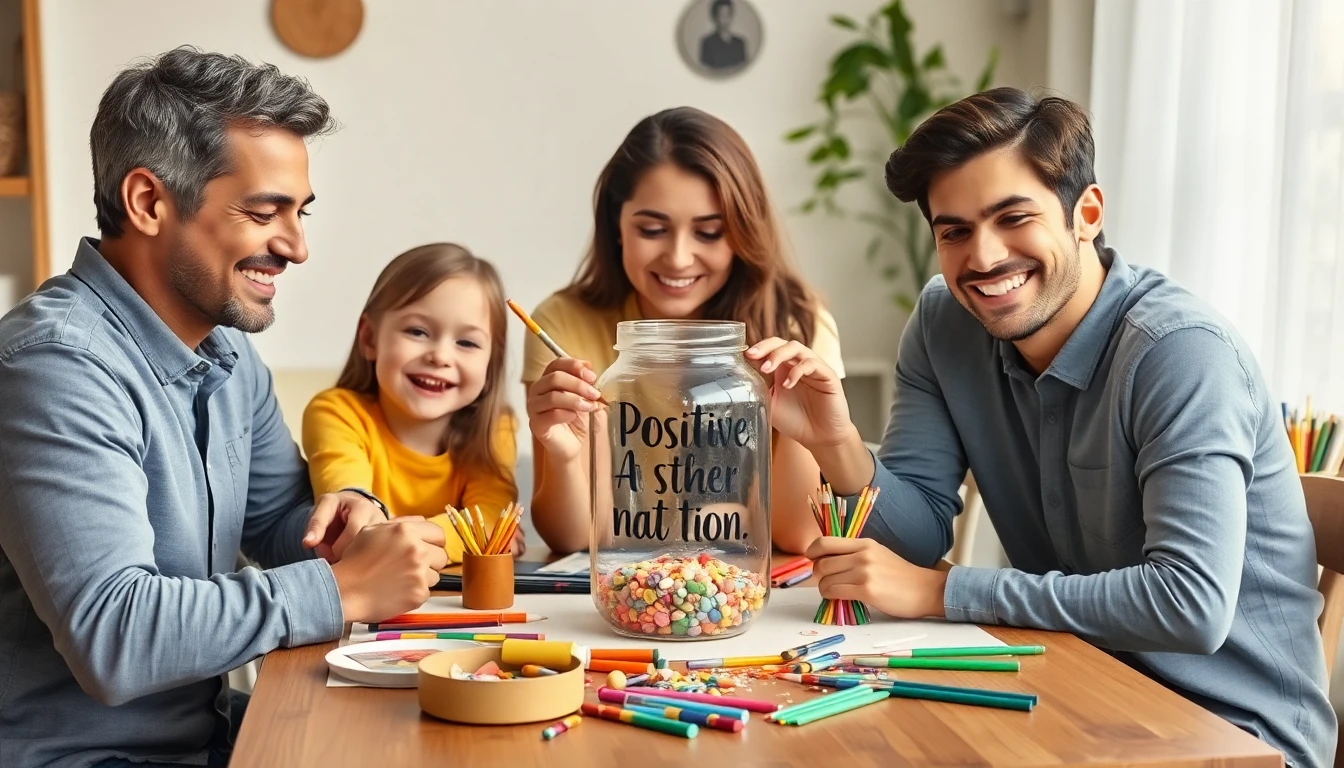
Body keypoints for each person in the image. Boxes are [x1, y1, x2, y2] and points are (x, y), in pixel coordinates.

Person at [745, 86, 1335, 768]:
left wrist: (941, 592)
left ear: (1086, 213)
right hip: (1072, 692)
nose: (985, 257)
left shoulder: (1180, 353)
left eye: (1013, 217)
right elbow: (920, 532)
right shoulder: (946, 323)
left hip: (1232, 738)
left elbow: (1189, 603)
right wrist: (836, 442)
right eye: (954, 231)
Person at [0, 47, 447, 768]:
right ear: (150, 202)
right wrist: (341, 587)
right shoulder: (53, 367)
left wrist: (350, 514)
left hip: (206, 737)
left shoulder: (228, 354)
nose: (297, 248)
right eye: (265, 213)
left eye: (299, 214)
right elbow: (115, 638)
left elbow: (277, 524)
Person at [523, 106, 845, 555]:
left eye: (709, 233)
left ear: (742, 233)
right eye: (653, 229)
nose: (678, 257)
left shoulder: (796, 324)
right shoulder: (564, 323)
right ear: (616, 224)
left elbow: (799, 535)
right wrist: (565, 454)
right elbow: (572, 539)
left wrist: (793, 426)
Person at [303, 243, 525, 563]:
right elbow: (351, 507)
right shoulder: (335, 412)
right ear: (369, 339)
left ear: (491, 363)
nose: (440, 356)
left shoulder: (494, 427)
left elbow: (492, 518)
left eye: (466, 342)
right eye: (418, 331)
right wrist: (465, 541)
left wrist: (398, 541)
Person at [698, 0, 747, 71]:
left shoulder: (740, 43)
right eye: (722, 15)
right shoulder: (707, 43)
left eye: (728, 14)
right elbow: (706, 71)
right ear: (715, 17)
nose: (725, 19)